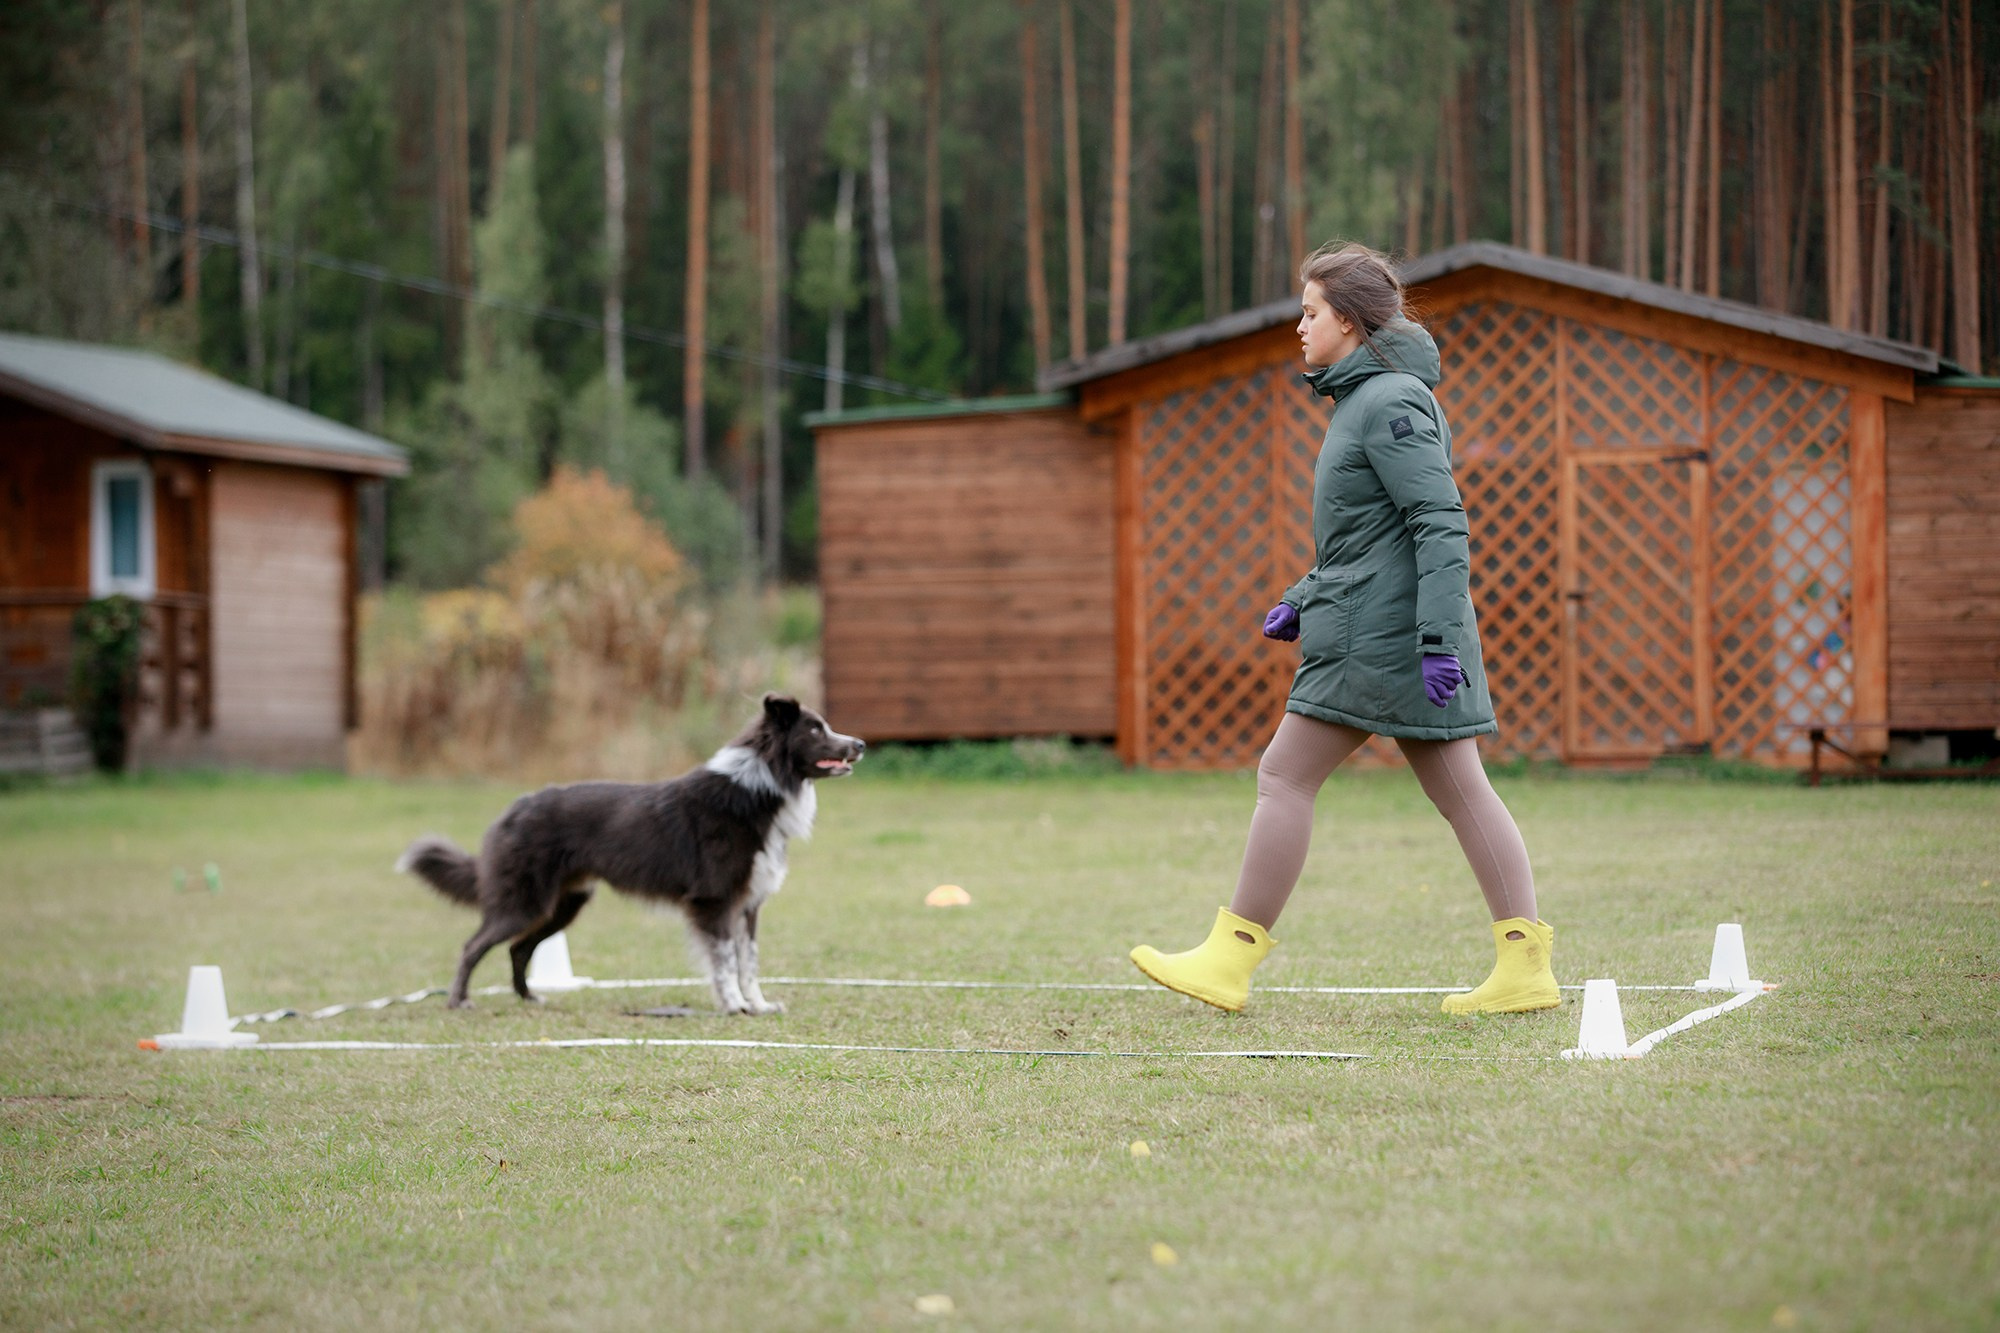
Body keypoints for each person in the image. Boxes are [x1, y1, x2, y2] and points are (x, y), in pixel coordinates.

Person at [1129, 241, 1557, 1018]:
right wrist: (1303, 594)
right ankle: (1524, 964)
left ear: (1352, 323)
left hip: (1387, 638)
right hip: (1386, 626)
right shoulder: (1368, 400)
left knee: (1285, 776)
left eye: (1311, 310)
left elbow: (1440, 521)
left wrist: (1433, 640)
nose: (1299, 325)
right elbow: (1371, 538)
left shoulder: (1388, 402)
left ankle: (1229, 958)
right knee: (1462, 791)